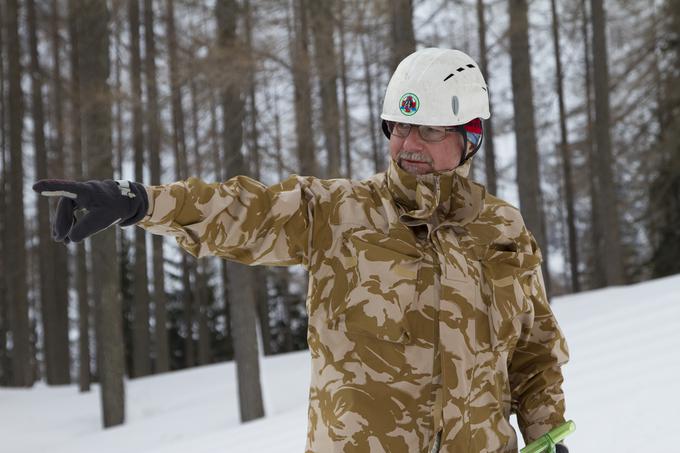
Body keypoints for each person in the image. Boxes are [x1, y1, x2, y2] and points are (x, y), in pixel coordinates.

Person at [34, 48, 570, 453]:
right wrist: (139, 203)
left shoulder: (501, 228)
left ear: (469, 136)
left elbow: (533, 350)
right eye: (400, 126)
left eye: (428, 129)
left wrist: (546, 436)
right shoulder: (338, 212)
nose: (409, 145)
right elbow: (243, 210)